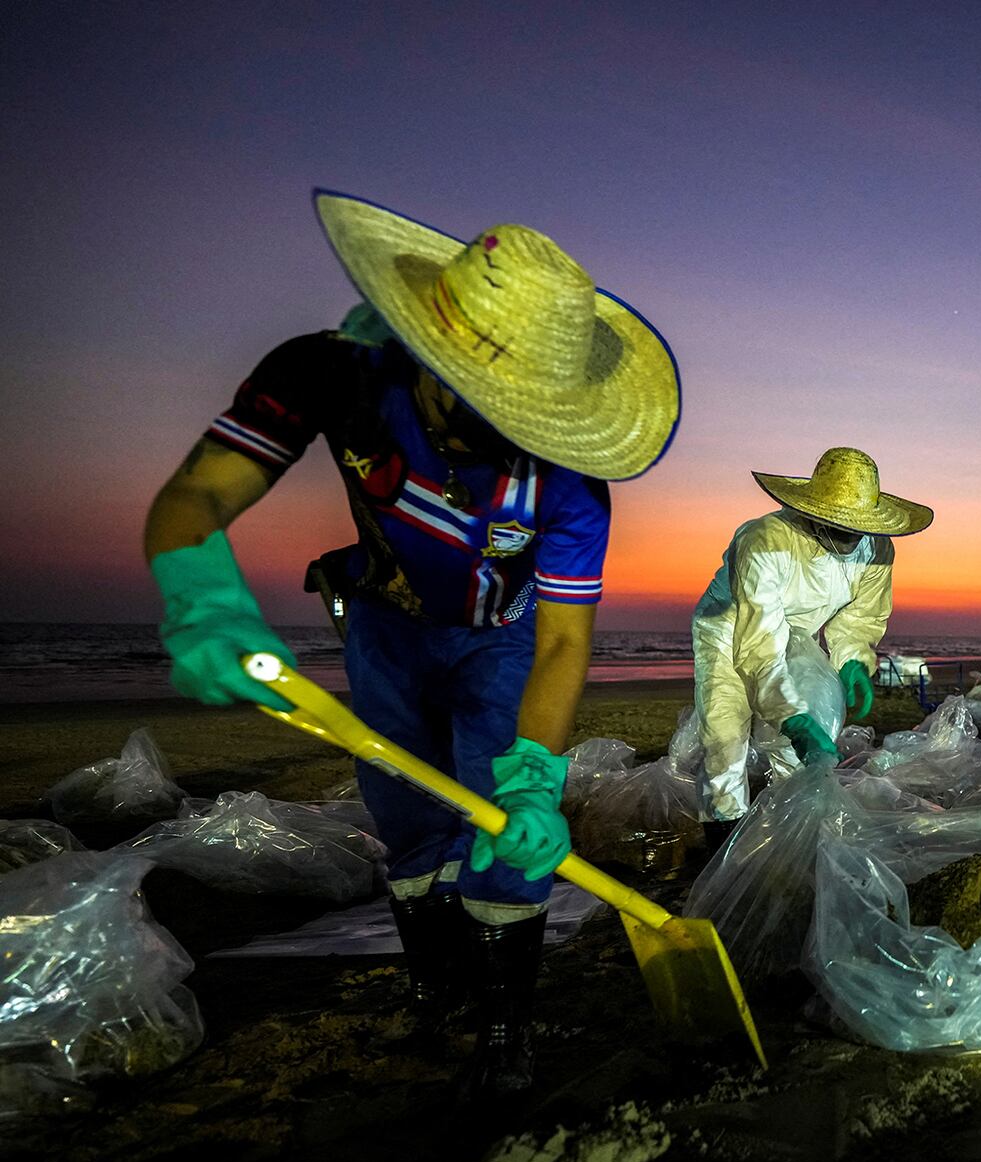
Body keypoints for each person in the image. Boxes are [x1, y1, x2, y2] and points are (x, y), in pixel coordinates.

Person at [142, 191, 679, 1097]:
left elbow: (560, 643)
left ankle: (506, 1024)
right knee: (408, 819)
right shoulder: (334, 375)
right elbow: (195, 498)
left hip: (503, 642)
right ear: (425, 353)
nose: (512, 432)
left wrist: (540, 775)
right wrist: (202, 598)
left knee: (509, 832)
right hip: (384, 624)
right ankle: (440, 994)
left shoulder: (571, 490)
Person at [691, 448, 932, 851]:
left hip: (798, 633)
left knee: (801, 747)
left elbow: (859, 618)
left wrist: (854, 658)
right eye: (837, 525)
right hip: (730, 625)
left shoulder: (877, 550)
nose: (849, 535)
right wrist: (792, 717)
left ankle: (790, 840)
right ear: (811, 512)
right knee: (725, 734)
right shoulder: (766, 541)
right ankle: (723, 844)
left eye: (857, 527)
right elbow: (759, 644)